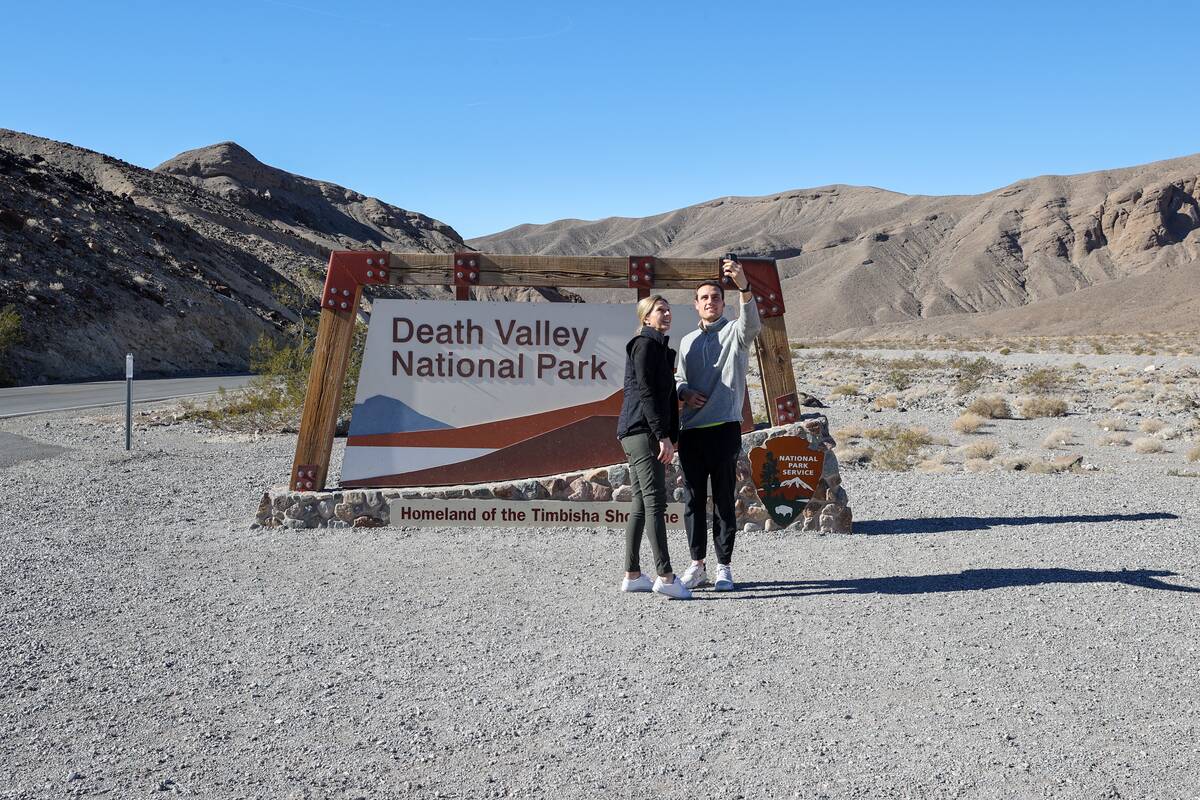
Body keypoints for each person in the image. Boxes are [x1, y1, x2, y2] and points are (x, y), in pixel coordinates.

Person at [675, 258, 761, 591]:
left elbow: (751, 325)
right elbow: (678, 377)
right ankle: (697, 565)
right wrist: (684, 391)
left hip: (725, 427)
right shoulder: (685, 342)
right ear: (696, 305)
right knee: (693, 500)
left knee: (724, 498)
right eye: (705, 298)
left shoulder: (735, 334)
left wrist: (744, 287)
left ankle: (724, 566)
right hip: (692, 431)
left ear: (724, 303)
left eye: (716, 297)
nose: (711, 302)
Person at [615, 294, 691, 600]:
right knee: (655, 503)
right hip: (642, 432)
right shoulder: (644, 345)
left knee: (640, 505)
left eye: (669, 309)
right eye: (660, 310)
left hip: (645, 433)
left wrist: (673, 437)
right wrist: (662, 436)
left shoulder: (661, 349)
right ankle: (666, 576)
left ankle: (632, 575)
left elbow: (666, 400)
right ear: (646, 317)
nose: (667, 313)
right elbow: (646, 394)